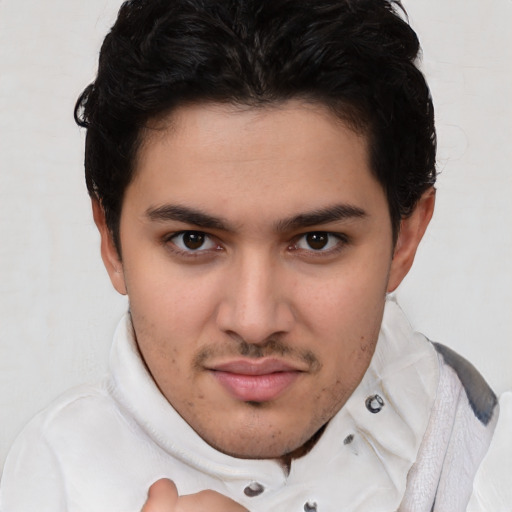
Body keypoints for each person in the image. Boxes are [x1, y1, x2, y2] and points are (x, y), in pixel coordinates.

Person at [0, 0, 506, 511]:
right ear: (111, 241)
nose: (255, 321)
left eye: (317, 240)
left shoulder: (489, 454)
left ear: (406, 237)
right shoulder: (50, 479)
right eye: (193, 240)